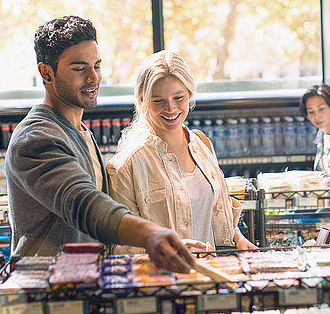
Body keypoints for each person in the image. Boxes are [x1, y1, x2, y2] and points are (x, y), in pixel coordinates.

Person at [5, 16, 195, 273]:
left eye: (96, 65)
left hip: (79, 286)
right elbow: (84, 204)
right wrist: (150, 234)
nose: (93, 77)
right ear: (46, 72)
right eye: (79, 68)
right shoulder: (36, 138)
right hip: (43, 295)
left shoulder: (80, 131)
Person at [106, 50, 257, 252]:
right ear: (142, 101)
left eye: (178, 97)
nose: (170, 108)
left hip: (214, 273)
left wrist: (237, 237)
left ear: (190, 94)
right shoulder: (126, 166)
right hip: (165, 280)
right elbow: (121, 247)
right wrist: (164, 250)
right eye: (158, 100)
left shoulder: (202, 143)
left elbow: (213, 210)